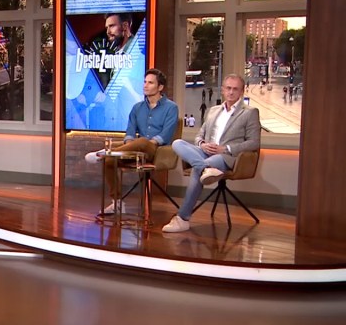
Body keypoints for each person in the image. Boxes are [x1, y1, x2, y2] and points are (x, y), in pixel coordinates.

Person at [163, 74, 260, 233]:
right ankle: (205, 168)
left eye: (235, 89)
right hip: (205, 153)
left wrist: (225, 149)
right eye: (228, 88)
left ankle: (182, 218)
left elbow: (254, 142)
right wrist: (203, 144)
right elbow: (199, 136)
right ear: (223, 90)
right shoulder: (213, 111)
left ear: (242, 91)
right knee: (177, 143)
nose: (231, 92)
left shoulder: (249, 112)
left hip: (225, 157)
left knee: (197, 169)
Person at [85, 69, 179, 215]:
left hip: (156, 150)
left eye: (150, 83)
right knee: (109, 161)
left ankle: (103, 153)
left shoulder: (171, 108)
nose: (145, 85)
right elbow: (130, 131)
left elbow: (166, 134)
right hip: (135, 149)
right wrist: (129, 143)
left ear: (160, 87)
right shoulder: (137, 108)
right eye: (145, 82)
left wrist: (147, 142)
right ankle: (117, 203)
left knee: (143, 141)